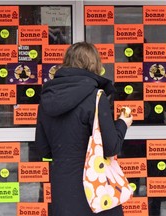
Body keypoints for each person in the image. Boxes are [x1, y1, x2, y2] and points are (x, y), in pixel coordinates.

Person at [35, 41, 133, 216]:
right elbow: (111, 147)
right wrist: (123, 123)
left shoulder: (47, 98)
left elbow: (43, 149)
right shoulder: (95, 96)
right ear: (94, 64)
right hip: (94, 188)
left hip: (62, 188)